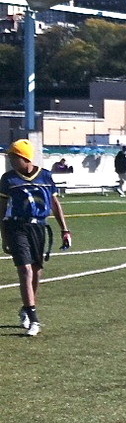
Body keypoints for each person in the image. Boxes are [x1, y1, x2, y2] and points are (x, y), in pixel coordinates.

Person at [1, 139, 71, 337]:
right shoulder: (8, 179)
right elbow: (1, 208)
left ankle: (26, 307)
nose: (10, 160)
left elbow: (55, 203)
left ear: (24, 157)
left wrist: (64, 230)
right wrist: (4, 236)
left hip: (38, 227)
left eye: (13, 157)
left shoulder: (46, 176)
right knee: (24, 269)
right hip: (16, 226)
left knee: (36, 272)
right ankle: (33, 318)